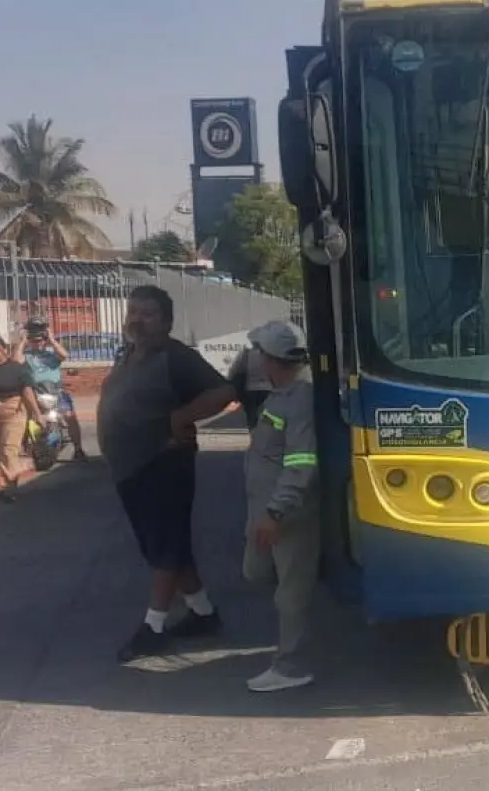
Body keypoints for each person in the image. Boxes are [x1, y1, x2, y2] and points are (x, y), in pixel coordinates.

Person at [97, 285, 236, 663]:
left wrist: (180, 418)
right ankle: (203, 613)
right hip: (130, 467)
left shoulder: (177, 357)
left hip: (163, 464)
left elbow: (223, 391)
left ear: (167, 322)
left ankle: (153, 627)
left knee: (164, 545)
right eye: (134, 311)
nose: (137, 319)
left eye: (148, 313)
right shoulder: (128, 354)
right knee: (166, 544)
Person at [241, 320, 321, 692]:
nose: (254, 359)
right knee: (256, 572)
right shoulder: (281, 395)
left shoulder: (300, 397)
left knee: (292, 592)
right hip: (267, 511)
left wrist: (276, 511)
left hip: (286, 513)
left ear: (271, 359)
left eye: (258, 353)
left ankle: (291, 666)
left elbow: (301, 461)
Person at [13, 317, 87, 461]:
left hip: (56, 390)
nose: (38, 343)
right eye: (35, 340)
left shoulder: (51, 354)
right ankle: (23, 445)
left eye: (41, 340)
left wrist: (52, 340)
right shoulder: (27, 355)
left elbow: (65, 355)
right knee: (27, 415)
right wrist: (22, 341)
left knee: (70, 416)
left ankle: (78, 449)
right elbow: (15, 360)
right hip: (36, 392)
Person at [0, 335, 44, 502]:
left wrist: (37, 413)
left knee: (9, 449)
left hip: (14, 410)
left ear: (5, 349)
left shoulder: (17, 369)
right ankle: (13, 475)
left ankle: (11, 485)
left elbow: (27, 392)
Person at [227, 335, 272, 430]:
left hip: (250, 389)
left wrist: (230, 384)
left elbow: (234, 370)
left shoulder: (246, 354)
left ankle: (254, 433)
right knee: (269, 414)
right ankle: (268, 432)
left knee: (252, 414)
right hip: (268, 389)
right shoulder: (269, 355)